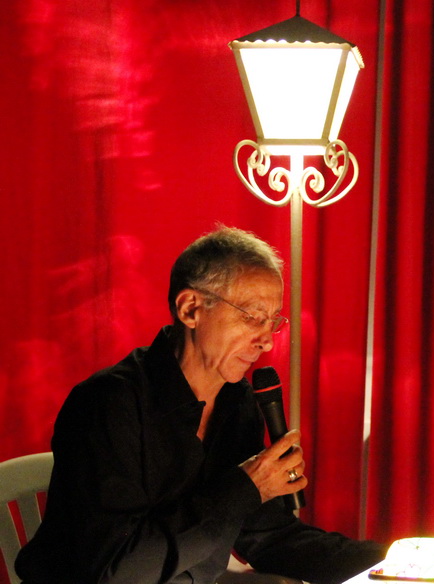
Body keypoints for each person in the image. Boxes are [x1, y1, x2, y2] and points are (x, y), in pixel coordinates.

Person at [16, 225, 387, 584]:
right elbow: (115, 571)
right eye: (252, 317)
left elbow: (269, 537)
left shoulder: (236, 401)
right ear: (191, 308)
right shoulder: (107, 405)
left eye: (272, 322)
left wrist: (391, 560)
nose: (267, 342)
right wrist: (246, 487)